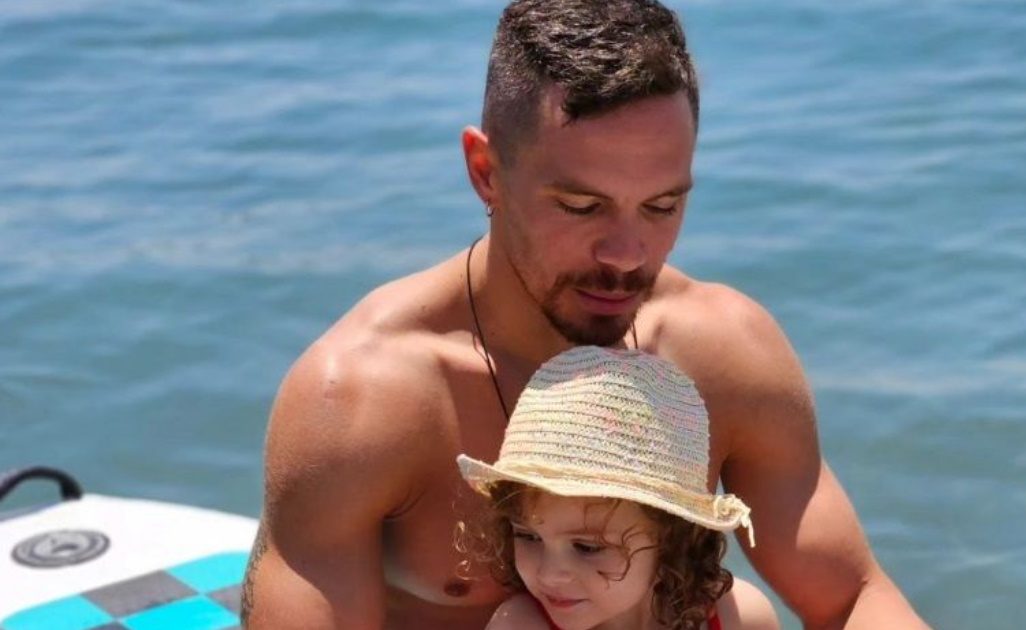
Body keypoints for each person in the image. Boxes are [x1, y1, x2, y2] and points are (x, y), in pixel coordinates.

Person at [242, 1, 929, 628]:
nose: (628, 254)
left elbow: (850, 598)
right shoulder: (365, 398)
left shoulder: (722, 354)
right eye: (581, 206)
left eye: (662, 206)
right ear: (486, 172)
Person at [455, 345, 779, 630]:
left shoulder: (740, 619)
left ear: (672, 539)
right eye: (528, 536)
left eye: (587, 547)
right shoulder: (521, 626)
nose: (550, 574)